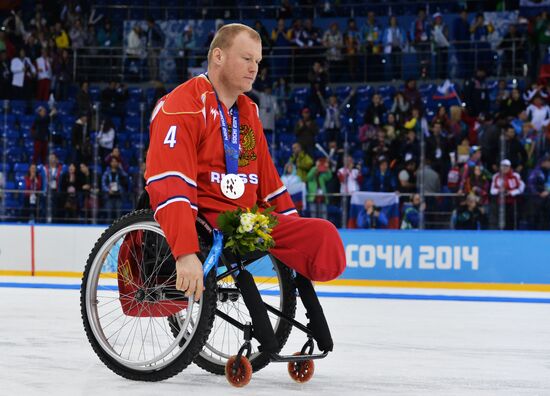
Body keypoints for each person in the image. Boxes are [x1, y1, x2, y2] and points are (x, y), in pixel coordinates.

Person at [144, 24, 346, 355]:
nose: (254, 68)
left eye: (258, 61)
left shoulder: (247, 112)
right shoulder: (183, 105)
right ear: (218, 56)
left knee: (323, 234)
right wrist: (184, 251)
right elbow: (171, 182)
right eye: (247, 58)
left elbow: (265, 180)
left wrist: (294, 242)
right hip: (203, 217)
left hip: (245, 217)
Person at [490, 159, 525, 230]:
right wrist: (499, 191)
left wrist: (511, 192)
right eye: (502, 166)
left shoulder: (515, 176)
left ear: (509, 167)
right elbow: (492, 190)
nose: (504, 168)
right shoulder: (496, 176)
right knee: (499, 219)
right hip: (499, 202)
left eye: (506, 166)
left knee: (511, 219)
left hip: (513, 202)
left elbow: (521, 188)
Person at [101, 157, 127, 222]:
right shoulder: (107, 173)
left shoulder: (120, 172)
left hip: (118, 195)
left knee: (119, 215)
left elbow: (126, 181)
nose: (114, 163)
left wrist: (121, 168)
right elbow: (103, 183)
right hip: (109, 196)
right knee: (108, 214)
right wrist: (108, 190)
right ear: (110, 163)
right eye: (112, 161)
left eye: (115, 161)